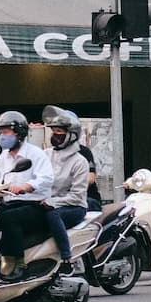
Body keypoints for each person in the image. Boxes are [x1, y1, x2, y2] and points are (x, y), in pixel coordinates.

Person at [0, 111, 55, 280]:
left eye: (6, 132)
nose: (2, 136)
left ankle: (18, 265)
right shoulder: (4, 156)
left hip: (35, 206)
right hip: (10, 203)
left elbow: (46, 178)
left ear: (19, 133)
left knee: (11, 219)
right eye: (0, 133)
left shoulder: (36, 154)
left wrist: (26, 186)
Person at [40, 109, 92, 273]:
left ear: (71, 135)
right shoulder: (45, 155)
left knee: (52, 214)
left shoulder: (79, 162)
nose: (55, 135)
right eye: (53, 131)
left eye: (59, 132)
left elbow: (77, 196)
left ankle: (66, 258)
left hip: (73, 207)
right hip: (45, 202)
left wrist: (52, 202)